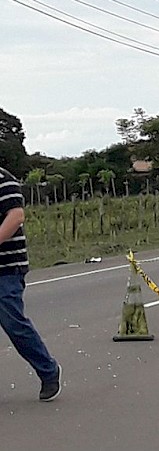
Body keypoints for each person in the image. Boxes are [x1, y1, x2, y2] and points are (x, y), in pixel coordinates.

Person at [0, 166, 62, 401]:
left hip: (6, 267)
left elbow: (15, 217)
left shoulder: (4, 180)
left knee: (13, 323)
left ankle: (48, 370)